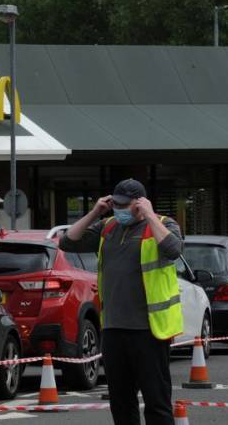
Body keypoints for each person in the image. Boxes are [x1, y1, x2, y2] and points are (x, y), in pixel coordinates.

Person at [59, 178, 183, 425]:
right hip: (114, 329)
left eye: (124, 205)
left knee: (156, 402)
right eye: (115, 203)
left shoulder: (163, 224)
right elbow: (67, 242)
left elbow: (174, 250)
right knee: (121, 403)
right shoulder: (107, 226)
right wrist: (95, 211)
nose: (119, 209)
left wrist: (148, 215)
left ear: (140, 203)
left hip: (149, 330)